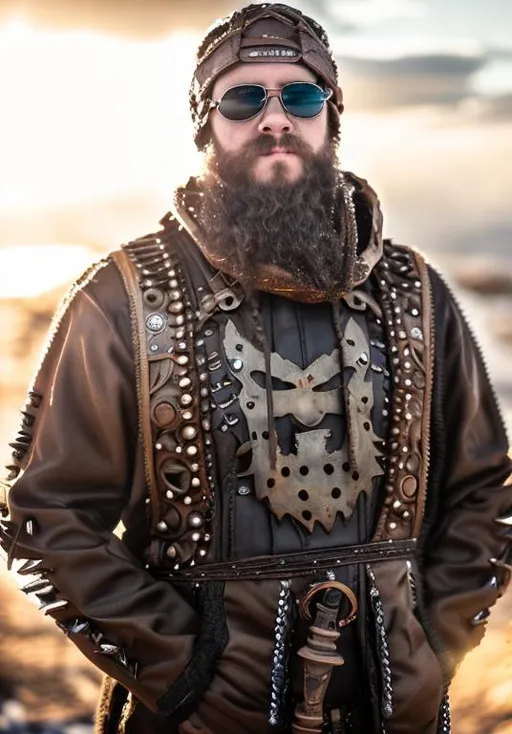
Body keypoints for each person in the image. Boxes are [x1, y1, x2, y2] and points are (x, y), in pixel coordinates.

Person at [1, 4, 511, 733]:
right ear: (206, 124)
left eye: (300, 96)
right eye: (244, 98)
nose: (275, 118)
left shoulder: (416, 294)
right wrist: (188, 673)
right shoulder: (120, 299)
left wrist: (431, 650)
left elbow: (485, 490)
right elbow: (45, 518)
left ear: (331, 117)